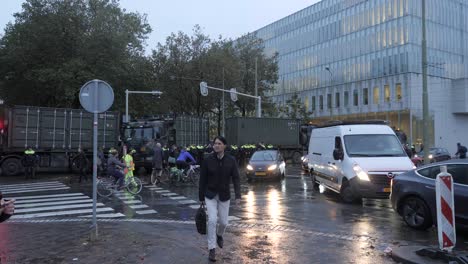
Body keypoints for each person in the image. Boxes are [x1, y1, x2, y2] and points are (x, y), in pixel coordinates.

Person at [199, 136, 241, 262]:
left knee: (223, 222)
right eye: (214, 144)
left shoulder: (231, 160)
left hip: (224, 195)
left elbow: (236, 178)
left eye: (219, 143)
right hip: (210, 195)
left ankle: (219, 235)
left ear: (224, 146)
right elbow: (202, 180)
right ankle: (212, 249)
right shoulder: (207, 160)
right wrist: (201, 197)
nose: (216, 145)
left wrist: (238, 195)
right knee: (212, 220)